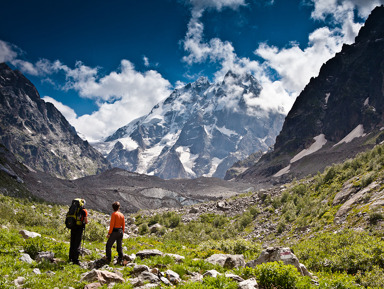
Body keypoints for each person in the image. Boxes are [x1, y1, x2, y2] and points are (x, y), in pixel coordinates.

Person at [69, 198, 88, 265]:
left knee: (72, 242)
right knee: (77, 243)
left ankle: (70, 258)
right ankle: (75, 260)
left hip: (73, 227)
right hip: (79, 228)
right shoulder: (84, 210)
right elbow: (86, 221)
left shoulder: (74, 209)